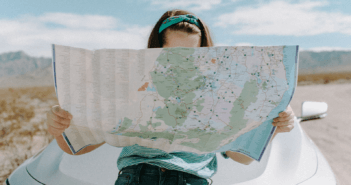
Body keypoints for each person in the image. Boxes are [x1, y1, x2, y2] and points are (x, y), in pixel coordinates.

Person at [46, 9, 295, 185]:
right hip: (136, 177)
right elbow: (78, 148)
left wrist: (273, 128)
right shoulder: (131, 85)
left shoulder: (220, 90)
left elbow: (240, 157)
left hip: (192, 180)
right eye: (172, 53)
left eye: (191, 54)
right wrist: (60, 129)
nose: (181, 61)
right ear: (156, 50)